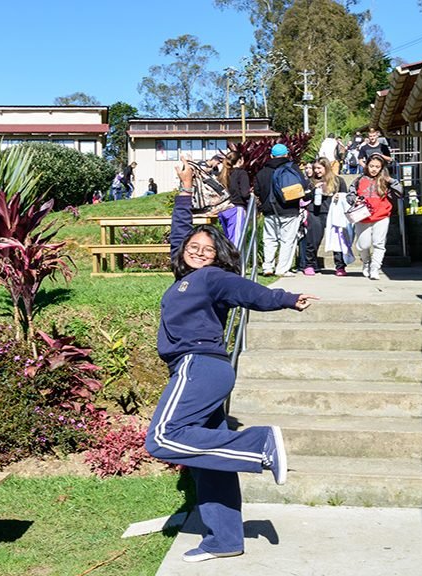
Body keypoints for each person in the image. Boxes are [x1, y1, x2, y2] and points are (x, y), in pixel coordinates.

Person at [145, 160, 318, 563]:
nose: (198, 250)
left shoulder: (212, 277)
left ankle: (260, 443)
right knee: (210, 466)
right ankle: (224, 539)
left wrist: (287, 299)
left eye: (208, 249)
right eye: (194, 246)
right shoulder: (184, 276)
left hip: (198, 365)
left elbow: (248, 291)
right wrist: (186, 189)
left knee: (163, 437)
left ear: (217, 256)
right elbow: (178, 233)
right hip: (205, 370)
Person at [255, 144, 308, 277]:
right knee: (287, 240)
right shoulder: (293, 168)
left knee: (269, 239)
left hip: (269, 210)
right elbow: (303, 186)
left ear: (271, 156)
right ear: (286, 154)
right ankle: (282, 269)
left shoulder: (262, 171)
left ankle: (267, 267)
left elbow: (257, 190)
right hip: (290, 209)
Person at [347, 153, 396, 280]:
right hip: (363, 216)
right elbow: (350, 195)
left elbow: (400, 192)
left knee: (379, 243)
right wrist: (354, 200)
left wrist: (392, 181)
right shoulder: (359, 180)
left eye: (377, 167)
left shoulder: (386, 180)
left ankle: (375, 267)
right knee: (363, 245)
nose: (374, 169)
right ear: (367, 166)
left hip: (382, 215)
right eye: (372, 166)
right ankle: (366, 262)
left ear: (381, 168)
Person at [305, 158, 348, 275]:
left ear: (326, 167)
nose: (317, 171)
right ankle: (310, 265)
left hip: (333, 213)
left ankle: (340, 266)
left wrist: (340, 196)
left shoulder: (338, 181)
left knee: (337, 240)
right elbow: (305, 198)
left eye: (319, 168)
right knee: (313, 240)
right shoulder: (311, 182)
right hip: (315, 213)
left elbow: (347, 196)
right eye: (315, 168)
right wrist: (314, 190)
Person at [216, 150, 251, 247]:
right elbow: (244, 194)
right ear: (240, 160)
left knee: (228, 239)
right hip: (236, 208)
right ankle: (234, 262)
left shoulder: (224, 174)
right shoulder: (241, 173)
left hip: (223, 209)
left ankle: (228, 260)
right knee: (236, 240)